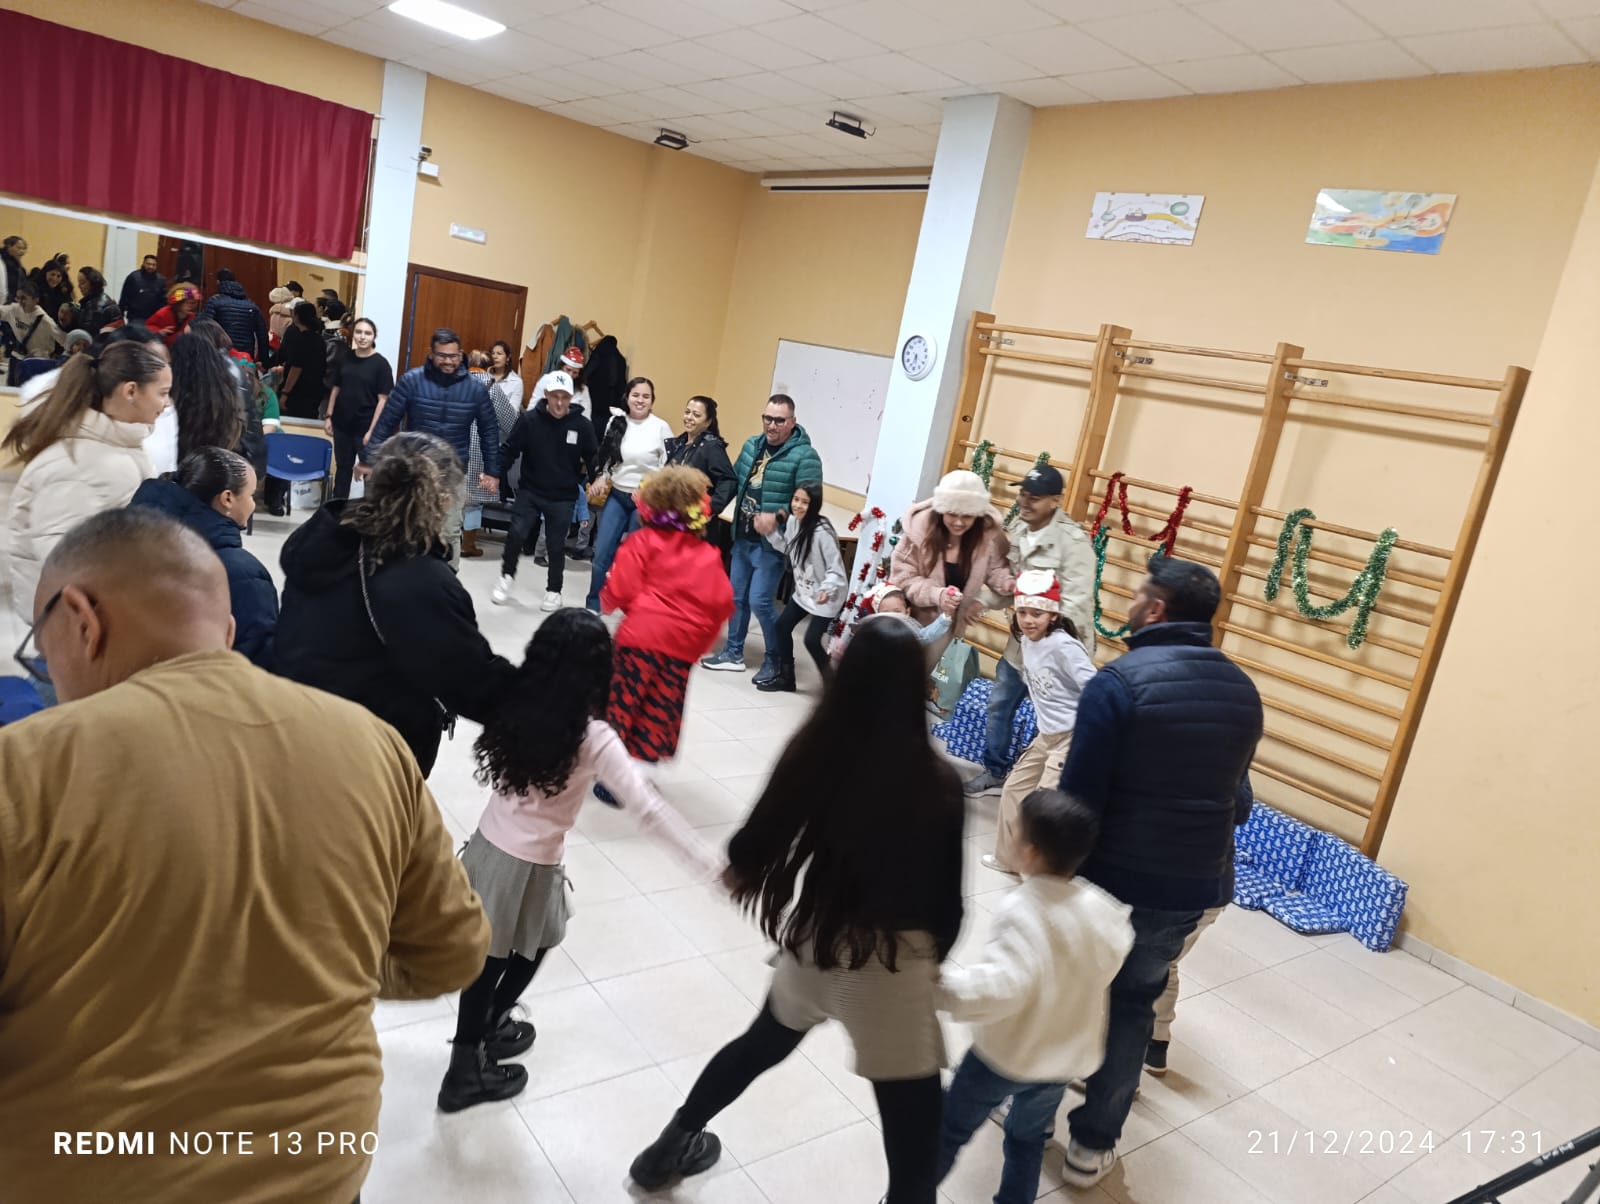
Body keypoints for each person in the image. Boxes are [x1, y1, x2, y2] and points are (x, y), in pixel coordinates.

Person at [0, 508, 490, 1204]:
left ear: (80, 618)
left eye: (42, 653)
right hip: (321, 1166)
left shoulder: (23, 771)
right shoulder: (372, 745)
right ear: (225, 634)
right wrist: (312, 954)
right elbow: (453, 953)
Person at [629, 617, 965, 1202]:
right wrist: (933, 965)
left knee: (760, 1045)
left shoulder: (814, 752)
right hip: (893, 964)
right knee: (913, 1148)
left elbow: (748, 847)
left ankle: (668, 1146)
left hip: (816, 939)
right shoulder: (936, 780)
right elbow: (947, 907)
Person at [441, 608, 721, 1111]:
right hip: (529, 863)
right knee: (527, 948)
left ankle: (484, 1031)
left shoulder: (517, 695)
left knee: (500, 955)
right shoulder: (594, 737)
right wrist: (707, 862)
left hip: (487, 846)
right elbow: (649, 808)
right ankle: (466, 1063)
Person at [1055, 555, 1263, 1188]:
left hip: (1113, 877)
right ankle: (1094, 1146)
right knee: (1134, 1002)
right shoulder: (1241, 690)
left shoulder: (1118, 682)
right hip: (1191, 883)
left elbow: (1079, 796)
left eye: (1140, 592)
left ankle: (1031, 1109)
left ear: (1156, 610)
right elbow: (1240, 801)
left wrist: (1055, 877)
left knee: (1069, 989)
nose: (1131, 599)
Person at [275, 432, 516, 776]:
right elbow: (472, 679)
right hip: (364, 761)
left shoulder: (326, 539)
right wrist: (547, 702)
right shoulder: (420, 580)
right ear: (442, 500)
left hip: (293, 734)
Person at [936, 789, 1134, 1204]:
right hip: (1060, 1062)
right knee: (1025, 1141)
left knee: (949, 1130)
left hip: (1005, 1058)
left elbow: (1001, 988)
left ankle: (909, 1193)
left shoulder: (1023, 909)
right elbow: (1113, 952)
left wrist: (941, 991)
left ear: (1028, 851)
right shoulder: (1100, 908)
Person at [4, 340, 167, 629]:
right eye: (162, 393)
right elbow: (65, 562)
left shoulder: (118, 445)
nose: (165, 404)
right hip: (76, 623)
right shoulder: (80, 464)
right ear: (130, 391)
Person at [965, 464, 1097, 798]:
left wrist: (1038, 623)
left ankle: (1046, 788)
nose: (1025, 502)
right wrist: (975, 600)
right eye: (1022, 493)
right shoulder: (1018, 528)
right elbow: (1010, 584)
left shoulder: (1073, 542)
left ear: (1055, 501)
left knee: (1055, 721)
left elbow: (1077, 605)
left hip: (1060, 651)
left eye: (1034, 497)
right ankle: (995, 771)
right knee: (999, 704)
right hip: (1021, 645)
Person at [599, 466, 734, 764]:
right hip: (682, 647)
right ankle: (642, 766)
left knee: (623, 702)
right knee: (659, 705)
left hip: (641, 639)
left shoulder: (642, 542)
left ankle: (611, 774)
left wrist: (613, 605)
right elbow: (722, 602)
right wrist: (701, 644)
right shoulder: (708, 554)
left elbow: (621, 588)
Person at [700, 394, 823, 683]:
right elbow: (734, 483)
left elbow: (810, 503)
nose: (772, 425)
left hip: (773, 543)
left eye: (779, 420)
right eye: (767, 418)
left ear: (793, 422)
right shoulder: (752, 445)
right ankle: (733, 653)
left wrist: (777, 518)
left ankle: (776, 660)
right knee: (736, 597)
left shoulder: (805, 456)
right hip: (742, 535)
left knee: (761, 602)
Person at [985, 571, 1097, 877]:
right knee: (1013, 791)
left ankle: (1038, 877)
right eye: (1022, 612)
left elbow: (1096, 688)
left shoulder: (1064, 646)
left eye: (1037, 613)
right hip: (1045, 735)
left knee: (1044, 806)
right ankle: (1008, 859)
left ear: (1053, 614)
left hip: (1070, 736)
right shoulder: (1026, 641)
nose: (1029, 620)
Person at [360, 327, 500, 566]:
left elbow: (489, 431)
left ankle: (447, 582)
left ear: (461, 354)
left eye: (453, 356)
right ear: (432, 354)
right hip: (414, 469)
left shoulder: (475, 389)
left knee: (449, 531)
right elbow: (387, 422)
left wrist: (493, 472)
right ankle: (407, 579)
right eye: (442, 355)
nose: (448, 361)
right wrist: (370, 461)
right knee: (409, 527)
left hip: (452, 472)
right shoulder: (412, 381)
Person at [129, 447, 277, 667]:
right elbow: (257, 659)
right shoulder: (242, 573)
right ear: (227, 498)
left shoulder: (128, 541)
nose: (253, 504)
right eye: (251, 495)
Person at [492, 370, 595, 612]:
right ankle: (506, 576)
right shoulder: (529, 420)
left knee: (556, 544)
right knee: (516, 533)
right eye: (555, 396)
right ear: (547, 395)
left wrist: (598, 478)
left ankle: (554, 591)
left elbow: (593, 458)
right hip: (531, 489)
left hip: (563, 495)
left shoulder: (582, 426)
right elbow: (509, 449)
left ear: (571, 398)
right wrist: (495, 473)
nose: (559, 403)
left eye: (565, 397)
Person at [888, 468, 1016, 662]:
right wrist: (936, 594)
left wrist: (1007, 582)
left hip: (947, 628)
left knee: (920, 682)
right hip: (908, 622)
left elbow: (996, 569)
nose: (958, 522)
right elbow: (902, 578)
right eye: (952, 514)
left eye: (967, 516)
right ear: (941, 510)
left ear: (978, 515)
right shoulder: (919, 531)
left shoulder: (986, 537)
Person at [584, 375, 672, 611]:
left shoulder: (661, 427)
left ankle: (631, 607)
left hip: (645, 502)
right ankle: (594, 604)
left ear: (652, 400)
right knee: (602, 553)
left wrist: (648, 490)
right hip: (618, 496)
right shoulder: (616, 421)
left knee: (634, 559)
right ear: (627, 397)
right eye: (636, 395)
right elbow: (607, 456)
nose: (640, 400)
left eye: (646, 396)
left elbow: (669, 468)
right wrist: (602, 477)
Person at [761, 480, 844, 693]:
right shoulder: (794, 523)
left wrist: (826, 589)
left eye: (805, 502)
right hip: (805, 592)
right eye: (796, 500)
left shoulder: (822, 532)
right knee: (781, 627)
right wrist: (770, 533)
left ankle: (833, 689)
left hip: (828, 595)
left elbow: (836, 569)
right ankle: (786, 678)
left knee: (812, 640)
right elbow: (789, 549)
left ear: (814, 505)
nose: (798, 505)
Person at [324, 316, 394, 500]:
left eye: (367, 333)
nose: (363, 337)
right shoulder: (346, 357)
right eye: (359, 332)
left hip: (365, 429)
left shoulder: (381, 364)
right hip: (342, 426)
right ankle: (336, 514)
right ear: (353, 334)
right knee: (343, 470)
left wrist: (372, 431)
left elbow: (383, 400)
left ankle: (369, 518)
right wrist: (329, 416)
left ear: (374, 337)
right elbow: (336, 388)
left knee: (369, 474)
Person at [462, 339, 521, 557]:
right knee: (473, 502)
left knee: (451, 496)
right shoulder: (492, 388)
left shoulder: (456, 383)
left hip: (455, 446)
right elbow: (510, 423)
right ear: (488, 367)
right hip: (481, 448)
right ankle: (468, 544)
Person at [664, 394, 737, 556]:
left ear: (708, 421)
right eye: (687, 412)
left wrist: (710, 509)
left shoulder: (711, 447)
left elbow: (729, 480)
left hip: (694, 524)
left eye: (696, 415)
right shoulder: (679, 444)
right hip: (672, 520)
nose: (689, 418)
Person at [272, 299, 328, 421]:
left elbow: (296, 368)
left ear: (297, 316)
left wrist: (285, 393)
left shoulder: (302, 339)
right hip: (314, 390)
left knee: (293, 423)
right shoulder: (319, 339)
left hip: (299, 392)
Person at [199, 267, 269, 362]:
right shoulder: (252, 305)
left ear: (218, 282)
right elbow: (262, 336)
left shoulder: (215, 302)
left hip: (221, 355)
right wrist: (264, 362)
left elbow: (203, 328)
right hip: (245, 357)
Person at [1, 281, 64, 361]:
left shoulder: (45, 321)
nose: (20, 302)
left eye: (24, 298)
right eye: (18, 298)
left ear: (36, 299)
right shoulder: (14, 309)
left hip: (39, 362)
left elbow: (64, 340)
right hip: (20, 358)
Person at [118, 253, 167, 323]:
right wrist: (120, 315)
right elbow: (124, 296)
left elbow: (163, 300)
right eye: (148, 264)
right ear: (143, 264)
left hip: (153, 318)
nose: (151, 267)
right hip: (134, 317)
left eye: (153, 265)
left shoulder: (161, 280)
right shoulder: (133, 277)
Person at [74, 267, 121, 338]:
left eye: (82, 282)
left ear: (93, 283)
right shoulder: (100, 299)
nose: (79, 286)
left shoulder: (96, 307)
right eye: (79, 283)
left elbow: (88, 334)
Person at [1, 234, 25, 302]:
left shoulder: (17, 265)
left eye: (23, 248)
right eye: (19, 248)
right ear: (9, 246)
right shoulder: (3, 264)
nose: (22, 252)